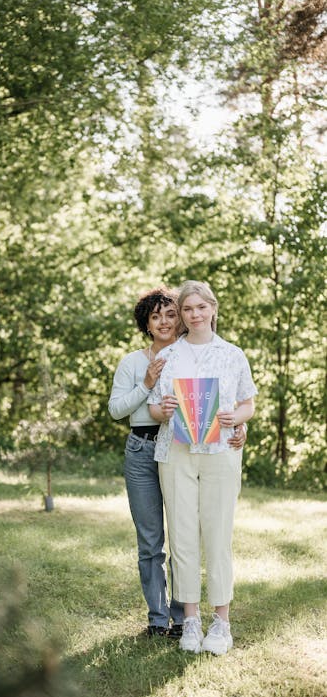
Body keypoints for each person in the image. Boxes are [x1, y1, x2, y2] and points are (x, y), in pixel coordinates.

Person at [108, 286, 245, 638]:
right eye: (157, 316)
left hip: (188, 448)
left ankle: (185, 617)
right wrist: (148, 383)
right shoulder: (137, 363)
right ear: (147, 324)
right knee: (153, 539)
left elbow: (227, 402)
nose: (166, 321)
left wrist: (238, 424)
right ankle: (159, 619)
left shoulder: (203, 355)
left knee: (188, 533)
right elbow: (118, 410)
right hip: (146, 449)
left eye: (171, 313)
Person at [147, 280, 257, 655]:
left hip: (221, 452)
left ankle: (221, 623)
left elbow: (248, 404)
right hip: (176, 450)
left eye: (200, 308)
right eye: (187, 309)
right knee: (181, 535)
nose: (194, 315)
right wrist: (163, 410)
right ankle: (190, 620)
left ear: (213, 308)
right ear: (182, 314)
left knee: (217, 534)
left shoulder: (232, 354)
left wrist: (234, 417)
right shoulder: (170, 356)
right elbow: (153, 407)